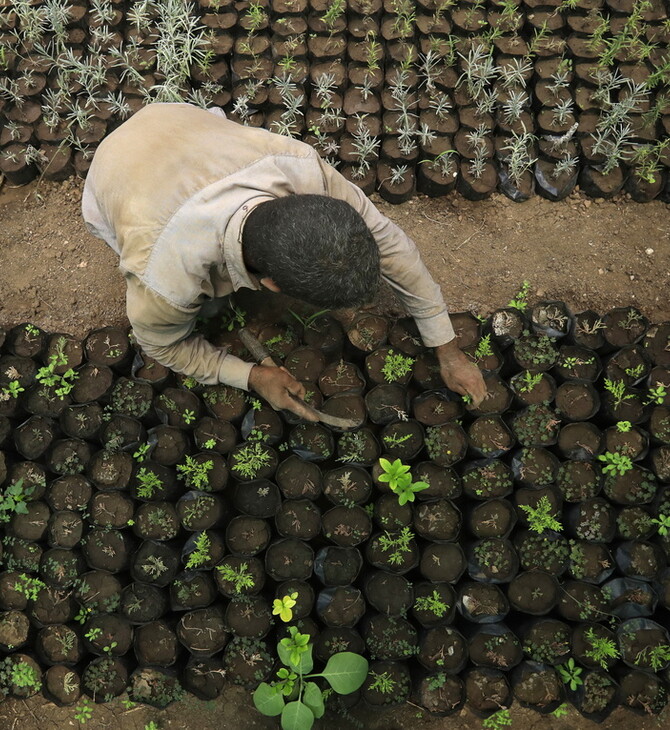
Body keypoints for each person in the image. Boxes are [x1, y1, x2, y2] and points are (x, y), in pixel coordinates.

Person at [82, 103, 486, 419]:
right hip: (114, 170)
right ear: (271, 285)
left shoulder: (301, 169)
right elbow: (162, 345)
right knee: (206, 306)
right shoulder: (165, 276)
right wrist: (251, 376)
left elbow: (393, 246)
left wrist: (448, 350)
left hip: (176, 119)